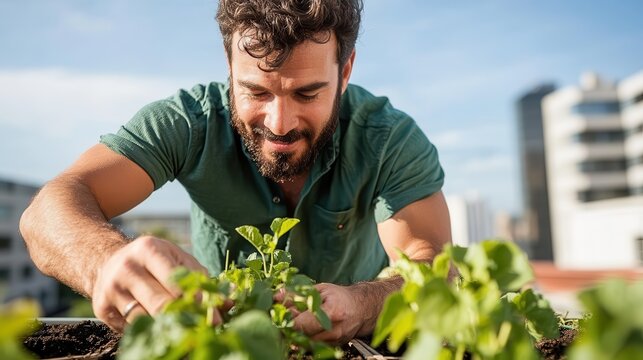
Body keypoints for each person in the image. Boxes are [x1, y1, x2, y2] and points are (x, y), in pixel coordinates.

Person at [20, 0, 451, 345]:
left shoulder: (388, 138)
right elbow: (49, 209)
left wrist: (364, 305)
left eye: (307, 92)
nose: (280, 123)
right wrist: (104, 260)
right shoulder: (190, 121)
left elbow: (435, 267)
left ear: (346, 71)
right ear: (229, 68)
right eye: (256, 91)